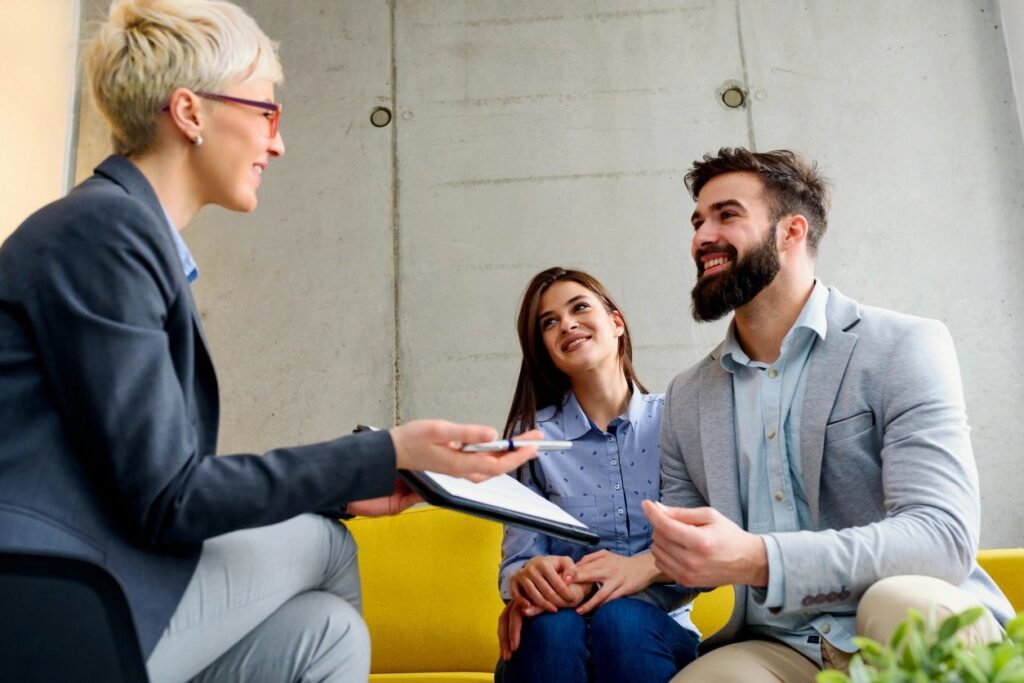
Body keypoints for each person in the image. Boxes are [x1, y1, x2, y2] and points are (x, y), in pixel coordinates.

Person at [0, 2, 540, 682]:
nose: (277, 144)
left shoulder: (117, 235)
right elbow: (169, 499)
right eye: (265, 112)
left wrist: (353, 485)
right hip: (47, 605)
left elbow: (152, 480)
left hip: (86, 583)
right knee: (325, 548)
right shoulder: (104, 233)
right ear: (191, 113)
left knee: (328, 633)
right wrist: (385, 452)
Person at [640, 147, 1014, 682]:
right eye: (698, 221)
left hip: (899, 620)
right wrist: (580, 579)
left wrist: (758, 558)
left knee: (904, 603)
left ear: (791, 232)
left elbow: (941, 537)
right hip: (778, 645)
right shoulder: (686, 396)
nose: (702, 237)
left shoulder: (904, 346)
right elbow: (686, 558)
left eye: (727, 215)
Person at [496, 267, 700, 683]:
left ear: (616, 322)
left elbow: (704, 553)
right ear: (545, 350)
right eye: (549, 323)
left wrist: (598, 587)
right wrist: (526, 579)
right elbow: (516, 564)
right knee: (553, 628)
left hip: (654, 633)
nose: (566, 324)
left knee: (622, 621)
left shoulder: (677, 418)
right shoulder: (532, 438)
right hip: (557, 632)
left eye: (579, 308)